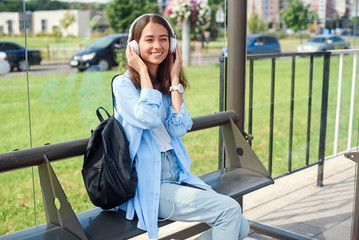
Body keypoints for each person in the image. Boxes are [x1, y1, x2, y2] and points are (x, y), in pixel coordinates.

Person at [112, 13, 249, 240]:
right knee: (230, 211)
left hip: (177, 176)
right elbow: (148, 117)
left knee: (240, 226)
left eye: (164, 39)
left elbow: (179, 128)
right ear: (134, 46)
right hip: (150, 184)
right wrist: (143, 71)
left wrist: (174, 81)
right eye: (149, 39)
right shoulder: (123, 85)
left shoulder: (165, 85)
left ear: (172, 43)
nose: (158, 45)